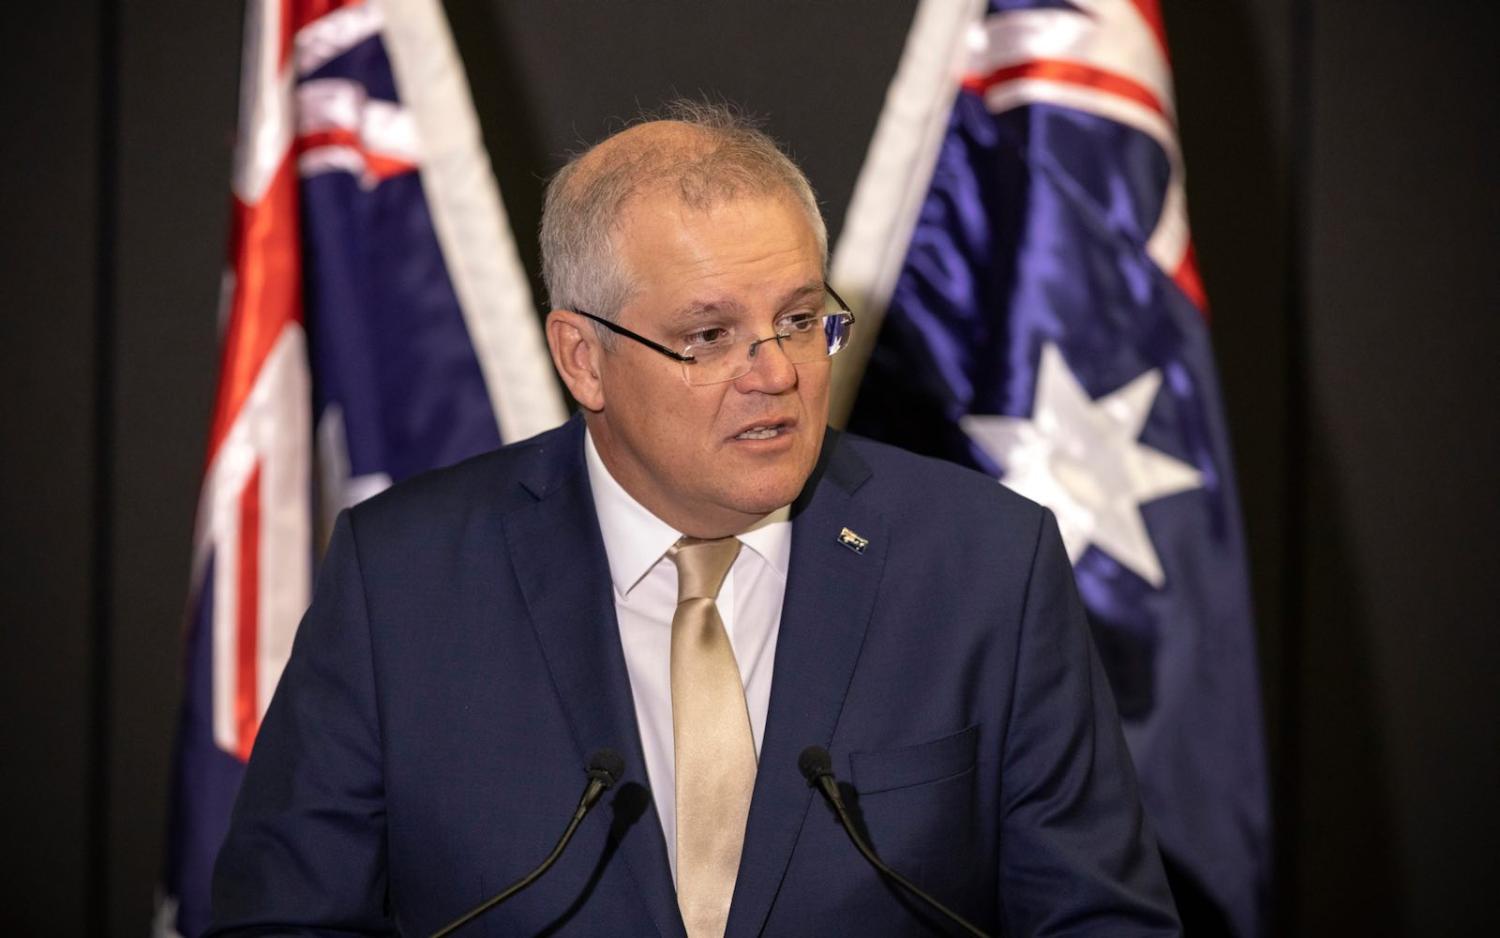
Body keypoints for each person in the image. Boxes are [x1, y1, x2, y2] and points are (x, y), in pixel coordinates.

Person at [209, 102, 1181, 937]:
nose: (777, 373)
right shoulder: (403, 580)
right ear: (583, 357)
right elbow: (286, 916)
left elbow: (1098, 918)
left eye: (801, 319)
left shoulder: (983, 566)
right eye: (709, 336)